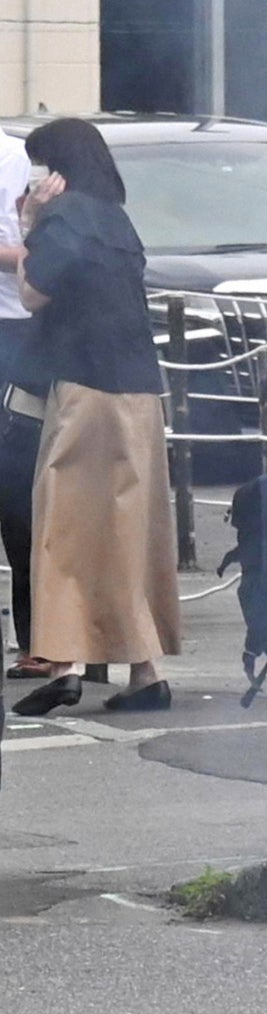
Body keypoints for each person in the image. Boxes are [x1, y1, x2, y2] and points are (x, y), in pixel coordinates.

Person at [11, 119, 179, 718]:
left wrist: (31, 222)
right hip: (140, 387)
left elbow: (35, 293)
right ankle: (144, 671)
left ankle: (63, 664)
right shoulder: (117, 217)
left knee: (65, 525)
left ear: (55, 167)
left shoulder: (64, 214)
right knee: (130, 531)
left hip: (85, 387)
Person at [0, 128, 43, 679]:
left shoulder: (15, 156)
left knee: (21, 497)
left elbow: (29, 254)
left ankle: (40, 639)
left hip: (15, 332)